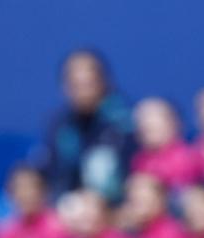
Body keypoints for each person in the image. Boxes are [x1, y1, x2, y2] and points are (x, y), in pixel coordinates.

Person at [37, 50, 133, 202]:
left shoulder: (125, 124)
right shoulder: (60, 127)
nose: (82, 93)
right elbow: (50, 175)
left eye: (88, 84)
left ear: (103, 83)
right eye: (75, 85)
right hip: (70, 211)